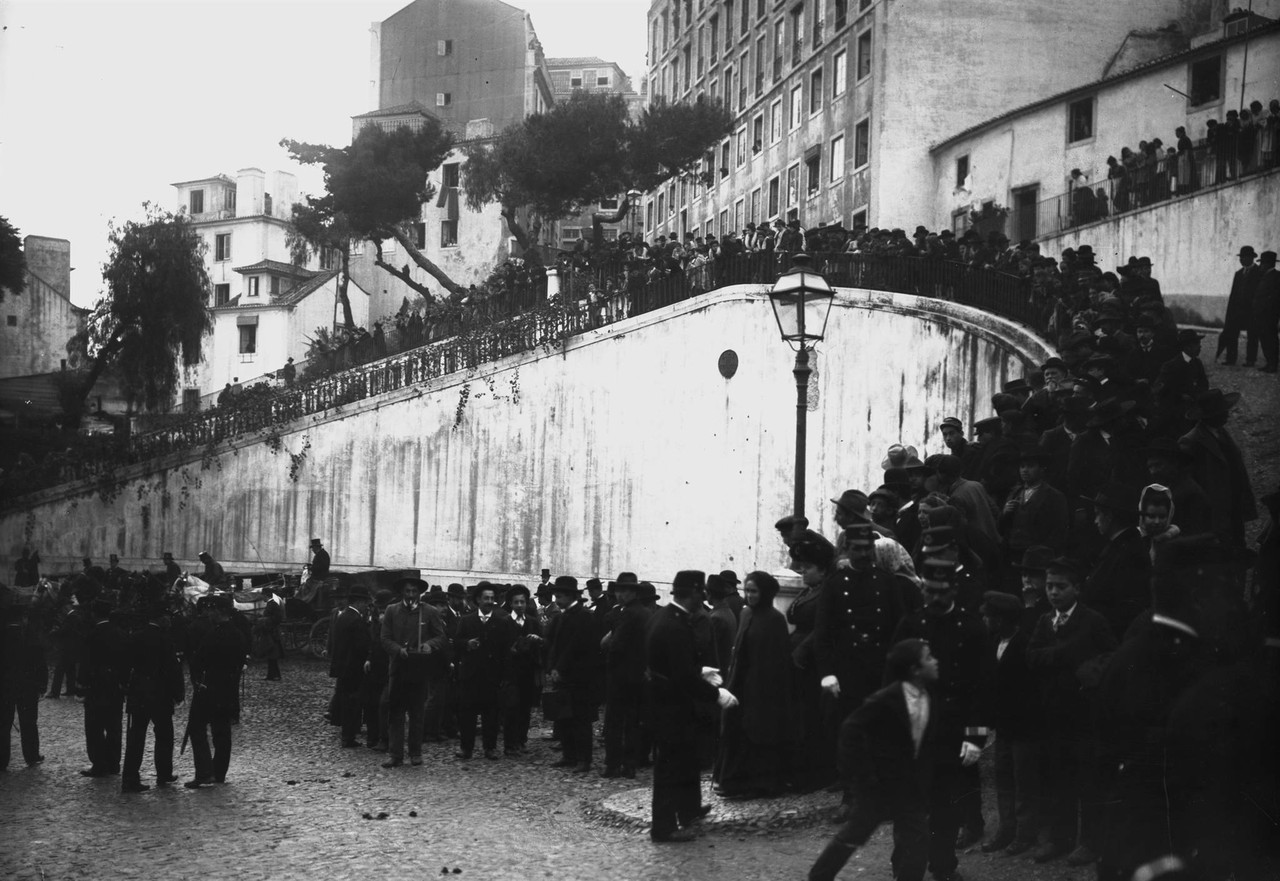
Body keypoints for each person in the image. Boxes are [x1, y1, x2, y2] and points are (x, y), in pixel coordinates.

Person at [807, 639, 940, 881]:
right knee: (854, 834)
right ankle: (819, 877)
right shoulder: (887, 699)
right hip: (877, 785)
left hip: (907, 785)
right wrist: (861, 776)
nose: (935, 661)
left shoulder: (930, 695)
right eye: (929, 657)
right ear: (915, 669)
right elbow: (850, 730)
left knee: (919, 840)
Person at [892, 557, 987, 878]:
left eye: (941, 592)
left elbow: (983, 687)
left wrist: (975, 737)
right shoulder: (910, 625)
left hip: (952, 733)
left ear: (954, 589)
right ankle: (905, 869)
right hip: (914, 732)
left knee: (947, 806)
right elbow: (892, 680)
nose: (934, 598)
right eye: (929, 590)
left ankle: (944, 866)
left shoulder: (972, 628)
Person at [1026, 557, 1117, 865]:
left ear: (1077, 589)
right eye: (1050, 586)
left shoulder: (1093, 621)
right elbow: (1031, 657)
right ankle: (1060, 838)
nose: (1054, 592)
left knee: (1089, 779)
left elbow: (1112, 657)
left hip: (1085, 714)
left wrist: (1088, 673)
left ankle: (1090, 842)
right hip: (1054, 713)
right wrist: (1063, 654)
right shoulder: (1044, 621)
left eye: (1061, 587)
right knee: (1058, 777)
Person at [645, 570, 738, 843]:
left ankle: (688, 810)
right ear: (694, 593)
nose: (704, 598)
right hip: (671, 705)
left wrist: (700, 670)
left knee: (685, 760)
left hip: (669, 702)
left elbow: (675, 664)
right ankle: (663, 828)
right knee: (669, 766)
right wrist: (716, 694)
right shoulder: (674, 625)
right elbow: (682, 675)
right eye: (701, 593)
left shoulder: (666, 616)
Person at [715, 571, 793, 798]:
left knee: (759, 733)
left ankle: (759, 784)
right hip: (741, 682)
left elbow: (778, 661)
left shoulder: (775, 620)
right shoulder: (746, 613)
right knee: (737, 731)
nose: (749, 595)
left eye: (754, 591)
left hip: (763, 688)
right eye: (747, 590)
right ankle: (733, 782)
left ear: (765, 593)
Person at [978, 590, 1044, 854]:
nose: (984, 620)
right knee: (1003, 778)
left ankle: (1025, 833)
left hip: (1024, 727)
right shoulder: (993, 642)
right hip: (1003, 726)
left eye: (988, 616)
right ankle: (1006, 830)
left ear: (1001, 619)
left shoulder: (1025, 644)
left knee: (1023, 780)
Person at [379, 577, 448, 768]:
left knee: (417, 712)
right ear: (402, 592)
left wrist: (429, 645)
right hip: (398, 668)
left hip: (419, 669)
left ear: (419, 593)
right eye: (407, 591)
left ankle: (415, 753)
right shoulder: (392, 610)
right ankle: (395, 754)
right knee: (396, 712)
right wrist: (397, 650)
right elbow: (384, 638)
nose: (410, 595)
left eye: (414, 591)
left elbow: (440, 636)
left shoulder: (429, 612)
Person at [1178, 389, 1257, 548]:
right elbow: (1189, 481)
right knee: (1223, 549)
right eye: (1222, 412)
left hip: (1234, 501)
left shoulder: (1222, 432)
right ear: (1209, 417)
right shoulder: (1191, 441)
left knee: (1238, 543)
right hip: (1215, 509)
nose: (1227, 415)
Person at [120, 603, 183, 793]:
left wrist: (125, 686)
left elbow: (125, 664)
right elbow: (173, 669)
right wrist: (178, 693)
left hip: (139, 691)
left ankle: (130, 777)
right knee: (164, 735)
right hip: (161, 693)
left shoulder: (136, 637)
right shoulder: (165, 639)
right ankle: (164, 772)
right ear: (161, 618)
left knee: (136, 737)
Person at [185, 595, 247, 787]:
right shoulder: (237, 634)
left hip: (209, 688)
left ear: (218, 612)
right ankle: (219, 772)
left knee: (197, 728)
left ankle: (205, 772)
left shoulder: (214, 634)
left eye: (212, 611)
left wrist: (197, 679)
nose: (209, 614)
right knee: (222, 732)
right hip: (228, 689)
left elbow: (199, 660)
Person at [452, 583, 516, 760]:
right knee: (467, 713)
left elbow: (506, 650)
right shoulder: (466, 620)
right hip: (470, 675)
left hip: (492, 675)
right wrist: (467, 644)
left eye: (492, 598)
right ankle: (466, 748)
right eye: (486, 598)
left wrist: (505, 675)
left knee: (491, 713)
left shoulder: (501, 621)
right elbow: (456, 644)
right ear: (478, 600)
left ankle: (490, 747)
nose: (489, 601)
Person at [545, 576, 602, 773]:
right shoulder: (563, 616)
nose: (557, 600)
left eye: (560, 596)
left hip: (580, 678)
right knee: (564, 717)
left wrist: (559, 668)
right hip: (563, 677)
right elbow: (555, 645)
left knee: (581, 719)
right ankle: (568, 755)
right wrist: (552, 667)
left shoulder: (584, 616)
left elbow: (575, 647)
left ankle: (583, 759)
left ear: (570, 596)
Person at [600, 573, 650, 777]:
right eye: (618, 591)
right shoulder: (645, 612)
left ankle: (612, 764)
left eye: (624, 591)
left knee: (614, 721)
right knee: (633, 721)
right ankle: (630, 764)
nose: (620, 595)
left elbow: (615, 645)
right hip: (638, 674)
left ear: (633, 593)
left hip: (620, 675)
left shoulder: (627, 614)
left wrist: (607, 652)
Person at [79, 596, 127, 777]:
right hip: (115, 687)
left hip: (96, 687)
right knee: (114, 727)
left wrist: (81, 684)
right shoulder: (120, 633)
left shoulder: (92, 635)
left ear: (94, 614)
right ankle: (114, 763)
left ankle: (99, 764)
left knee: (94, 728)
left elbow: (85, 662)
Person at [1, 601, 44, 770]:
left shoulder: (3, 636)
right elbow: (40, 661)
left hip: (5, 687)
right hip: (27, 686)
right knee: (29, 722)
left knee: (3, 723)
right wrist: (41, 684)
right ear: (22, 617)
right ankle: (31, 755)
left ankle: (2, 760)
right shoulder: (29, 635)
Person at [501, 584, 543, 756]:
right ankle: (510, 744)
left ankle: (521, 740)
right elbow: (498, 647)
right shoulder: (504, 622)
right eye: (516, 602)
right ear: (511, 604)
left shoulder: (532, 622)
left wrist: (537, 640)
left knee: (525, 708)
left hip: (528, 671)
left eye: (522, 602)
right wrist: (509, 651)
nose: (519, 605)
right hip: (511, 673)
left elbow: (542, 644)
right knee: (511, 708)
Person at [331, 587, 372, 749]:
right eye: (365, 602)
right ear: (359, 602)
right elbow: (361, 646)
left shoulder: (343, 616)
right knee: (352, 703)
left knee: (345, 701)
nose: (366, 606)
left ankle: (347, 735)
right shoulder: (356, 620)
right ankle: (348, 737)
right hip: (353, 668)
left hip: (343, 666)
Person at [1216, 246, 1261, 366]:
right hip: (1237, 311)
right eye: (1241, 257)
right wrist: (1230, 312)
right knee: (1232, 334)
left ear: (1251, 258)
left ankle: (1250, 360)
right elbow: (1233, 294)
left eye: (1244, 257)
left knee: (1252, 335)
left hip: (1252, 311)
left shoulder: (1259, 272)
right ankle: (1231, 359)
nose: (1241, 260)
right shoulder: (1238, 274)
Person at [1252, 249, 1279, 372]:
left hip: (1270, 315)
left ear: (1268, 264)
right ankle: (1269, 363)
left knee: (1271, 340)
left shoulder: (1276, 276)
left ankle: (1273, 364)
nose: (1260, 266)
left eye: (1262, 263)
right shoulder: (1264, 276)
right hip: (1262, 315)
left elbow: (1275, 297)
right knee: (1264, 339)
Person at [255, 586, 284, 681]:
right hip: (270, 631)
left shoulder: (273, 605)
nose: (262, 597)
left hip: (272, 633)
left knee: (272, 655)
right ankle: (272, 675)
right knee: (271, 656)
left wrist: (264, 620)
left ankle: (275, 675)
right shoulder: (271, 604)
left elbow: (278, 618)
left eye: (262, 595)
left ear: (266, 595)